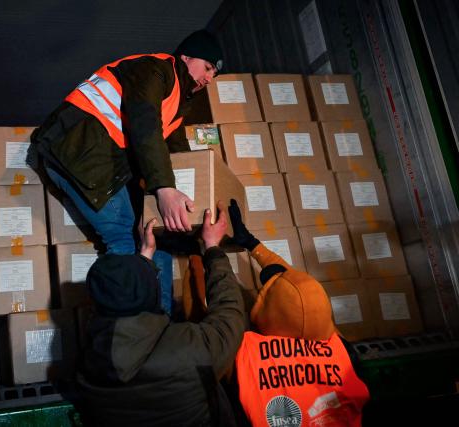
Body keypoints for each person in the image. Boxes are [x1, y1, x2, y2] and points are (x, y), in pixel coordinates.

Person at [26, 30, 224, 311]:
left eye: (213, 75)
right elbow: (145, 126)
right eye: (207, 68)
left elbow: (180, 156)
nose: (208, 79)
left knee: (156, 237)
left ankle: (159, 326)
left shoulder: (179, 104)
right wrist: (165, 189)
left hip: (100, 159)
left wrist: (200, 200)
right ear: (187, 56)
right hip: (76, 147)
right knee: (124, 238)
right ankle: (128, 332)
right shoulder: (154, 70)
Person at [76, 201, 247, 427]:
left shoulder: (90, 363)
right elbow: (230, 316)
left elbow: (125, 302)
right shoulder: (189, 348)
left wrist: (145, 257)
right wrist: (213, 248)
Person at [227, 200, 370, 427]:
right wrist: (252, 245)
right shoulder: (339, 348)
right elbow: (301, 297)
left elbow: (209, 327)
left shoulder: (247, 351)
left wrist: (203, 254)